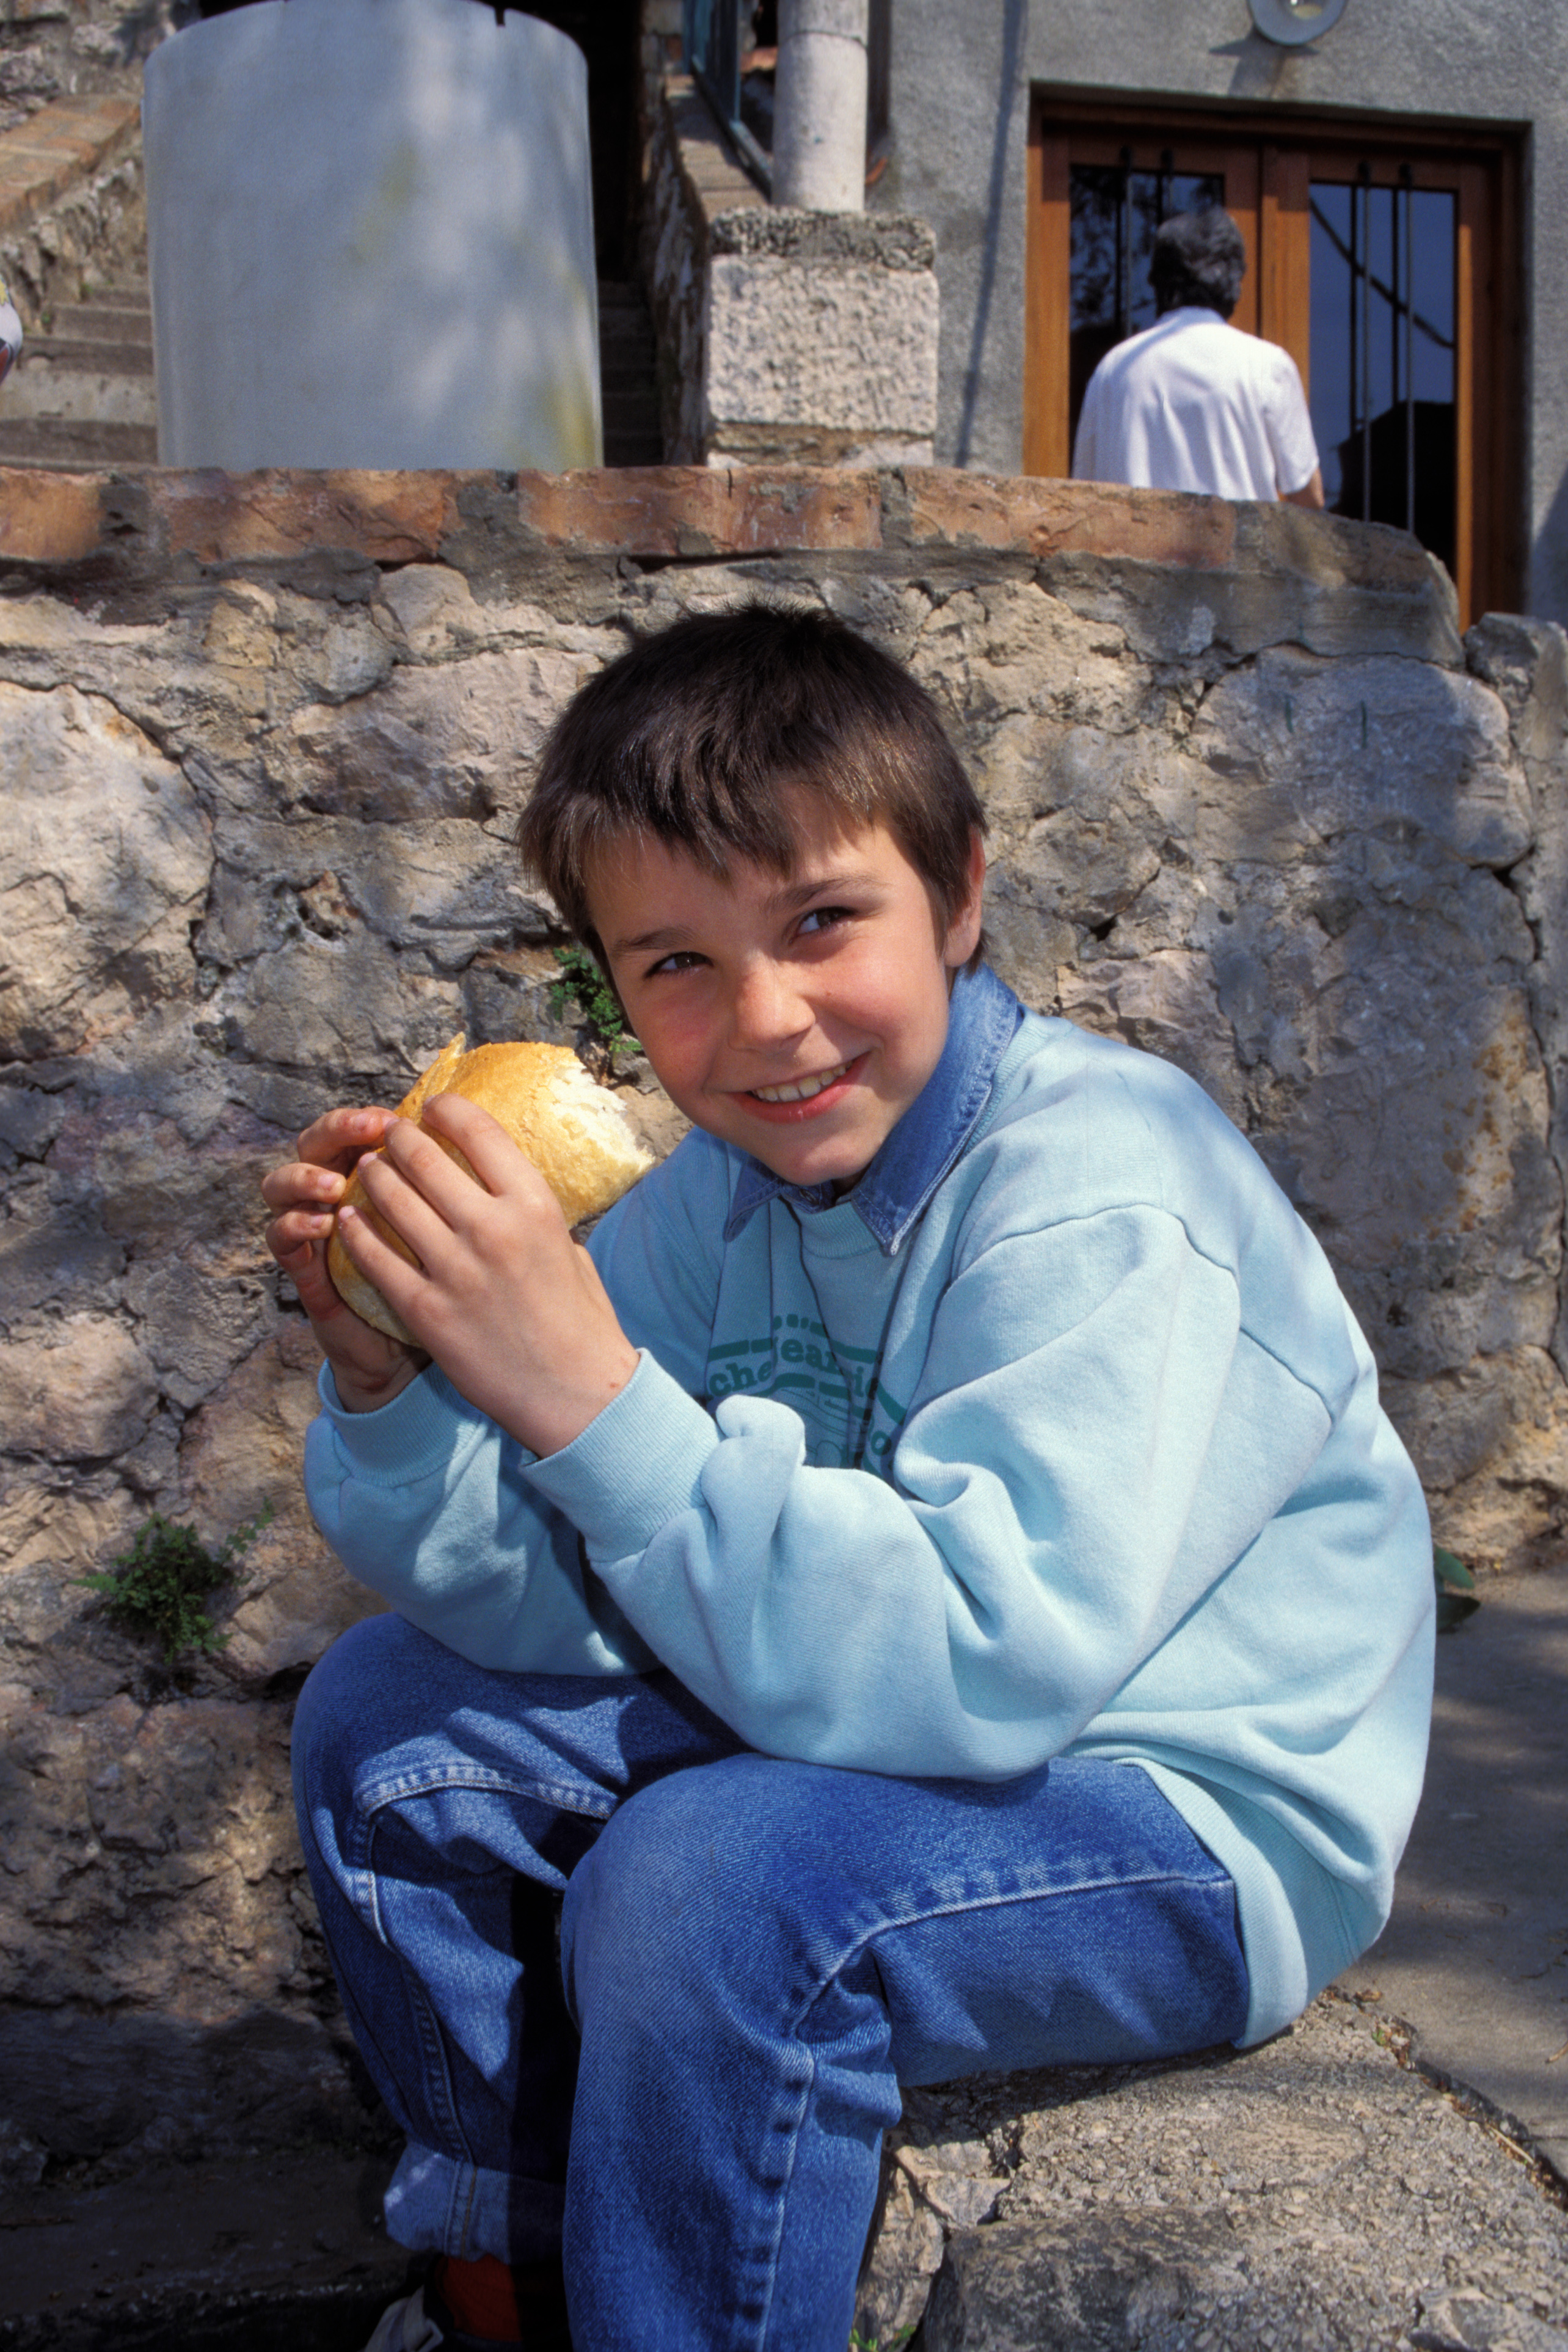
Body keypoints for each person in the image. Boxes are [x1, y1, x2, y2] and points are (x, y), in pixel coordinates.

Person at [263, 602, 1433, 2352]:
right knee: (383, 1721)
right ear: (610, 989)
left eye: (820, 921)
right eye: (675, 962)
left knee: (709, 1879)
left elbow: (988, 1657)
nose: (766, 1021)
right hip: (881, 1720)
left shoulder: (1108, 1181)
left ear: (955, 896)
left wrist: (584, 1392)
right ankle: (515, 2265)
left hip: (1178, 1806)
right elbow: (568, 1587)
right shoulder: (708, 1206)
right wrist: (392, 1377)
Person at [1073, 206, 1325, 508]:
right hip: (1241, 541)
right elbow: (1309, 500)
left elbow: (1081, 498)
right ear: (1234, 281)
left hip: (1131, 539)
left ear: (1157, 281)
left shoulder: (1113, 370)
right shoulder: (1267, 366)